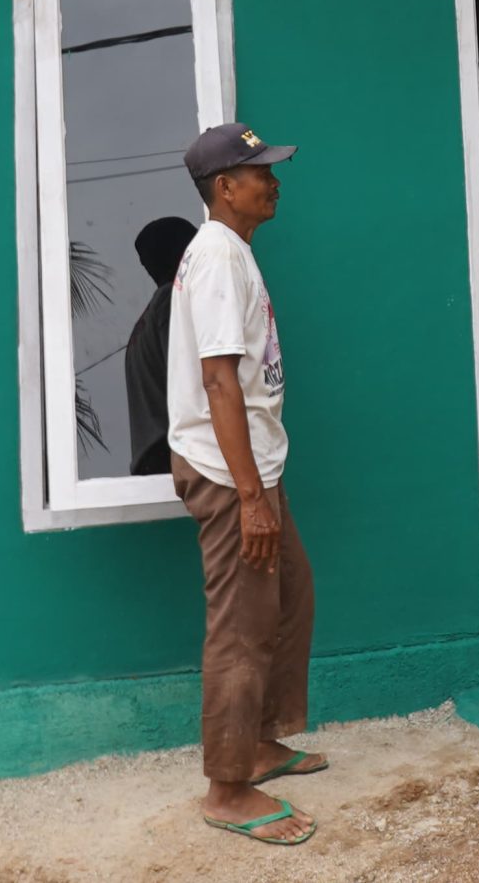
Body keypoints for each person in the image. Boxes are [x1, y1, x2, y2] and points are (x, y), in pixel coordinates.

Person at [166, 122, 324, 846]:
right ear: (225, 188)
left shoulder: (232, 250)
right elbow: (219, 381)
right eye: (260, 171)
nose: (273, 180)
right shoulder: (217, 258)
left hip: (254, 466)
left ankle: (259, 743)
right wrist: (252, 497)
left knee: (289, 594)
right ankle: (228, 788)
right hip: (232, 475)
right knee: (241, 628)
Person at [122, 216, 199, 477]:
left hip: (153, 459)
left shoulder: (144, 324)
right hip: (171, 455)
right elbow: (188, 379)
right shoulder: (170, 301)